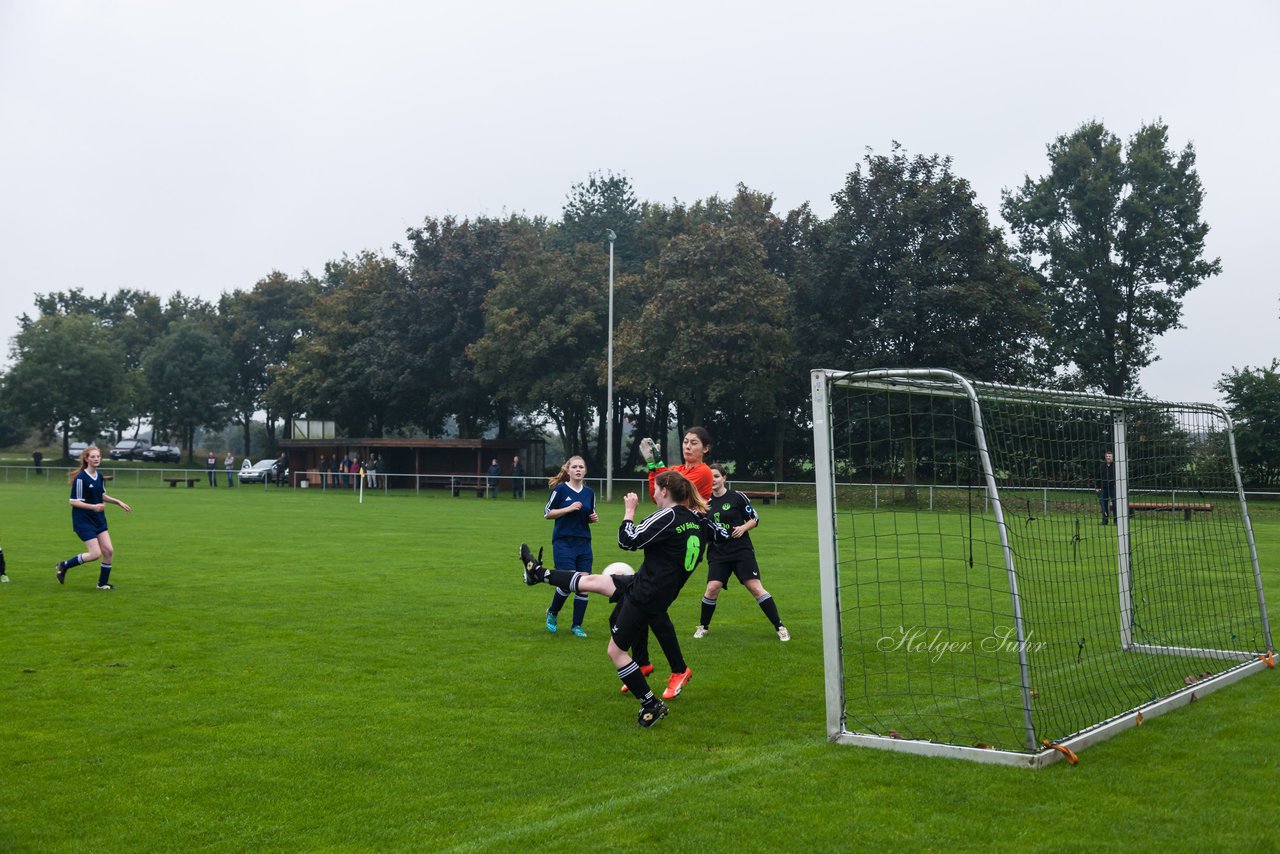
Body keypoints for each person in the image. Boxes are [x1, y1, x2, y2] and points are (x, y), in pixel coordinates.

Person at [519, 470, 720, 727]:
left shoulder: (667, 516)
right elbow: (720, 534)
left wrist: (629, 511)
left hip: (645, 594)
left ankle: (650, 703)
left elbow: (628, 540)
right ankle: (537, 573)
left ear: (665, 492)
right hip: (653, 587)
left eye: (655, 489)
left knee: (616, 652)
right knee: (593, 581)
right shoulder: (697, 520)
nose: (653, 494)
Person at [629, 426, 716, 682]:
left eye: (694, 443)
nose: (688, 446)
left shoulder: (702, 472)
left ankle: (672, 668)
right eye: (686, 442)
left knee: (648, 602)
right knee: (641, 599)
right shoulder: (679, 470)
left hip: (684, 539)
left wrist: (659, 467)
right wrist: (654, 466)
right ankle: (644, 663)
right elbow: (658, 493)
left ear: (706, 449)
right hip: (670, 536)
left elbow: (674, 491)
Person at [693, 464, 790, 641]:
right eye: (710, 477)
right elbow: (704, 531)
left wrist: (744, 527)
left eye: (716, 476)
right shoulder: (704, 502)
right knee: (712, 588)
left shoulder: (737, 497)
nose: (713, 480)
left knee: (755, 587)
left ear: (724, 478)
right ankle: (703, 627)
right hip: (718, 552)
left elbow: (754, 518)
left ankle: (780, 626)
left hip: (740, 550)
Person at [54, 445, 132, 589]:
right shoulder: (81, 478)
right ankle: (64, 565)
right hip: (83, 521)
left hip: (98, 519)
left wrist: (118, 502)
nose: (96, 459)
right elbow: (73, 501)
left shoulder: (100, 476)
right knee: (95, 553)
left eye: (98, 456)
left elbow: (101, 495)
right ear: (86, 459)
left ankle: (102, 584)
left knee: (108, 551)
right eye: (93, 457)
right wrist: (93, 507)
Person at [542, 455, 598, 638]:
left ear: (585, 470)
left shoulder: (589, 492)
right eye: (574, 467)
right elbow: (547, 514)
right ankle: (552, 612)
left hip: (583, 543)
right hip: (563, 542)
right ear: (568, 470)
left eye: (581, 467)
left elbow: (589, 513)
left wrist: (592, 518)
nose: (578, 470)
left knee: (584, 584)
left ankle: (577, 626)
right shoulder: (560, 490)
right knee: (567, 583)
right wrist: (568, 509)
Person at [1096, 450, 1117, 525]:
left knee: (1115, 504)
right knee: (1104, 505)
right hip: (1104, 488)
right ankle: (1105, 520)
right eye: (1107, 456)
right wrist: (1097, 487)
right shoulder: (1101, 466)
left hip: (1113, 488)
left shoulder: (1116, 466)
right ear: (1105, 457)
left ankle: (1116, 521)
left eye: (1110, 456)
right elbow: (1098, 477)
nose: (1108, 458)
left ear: (1112, 457)